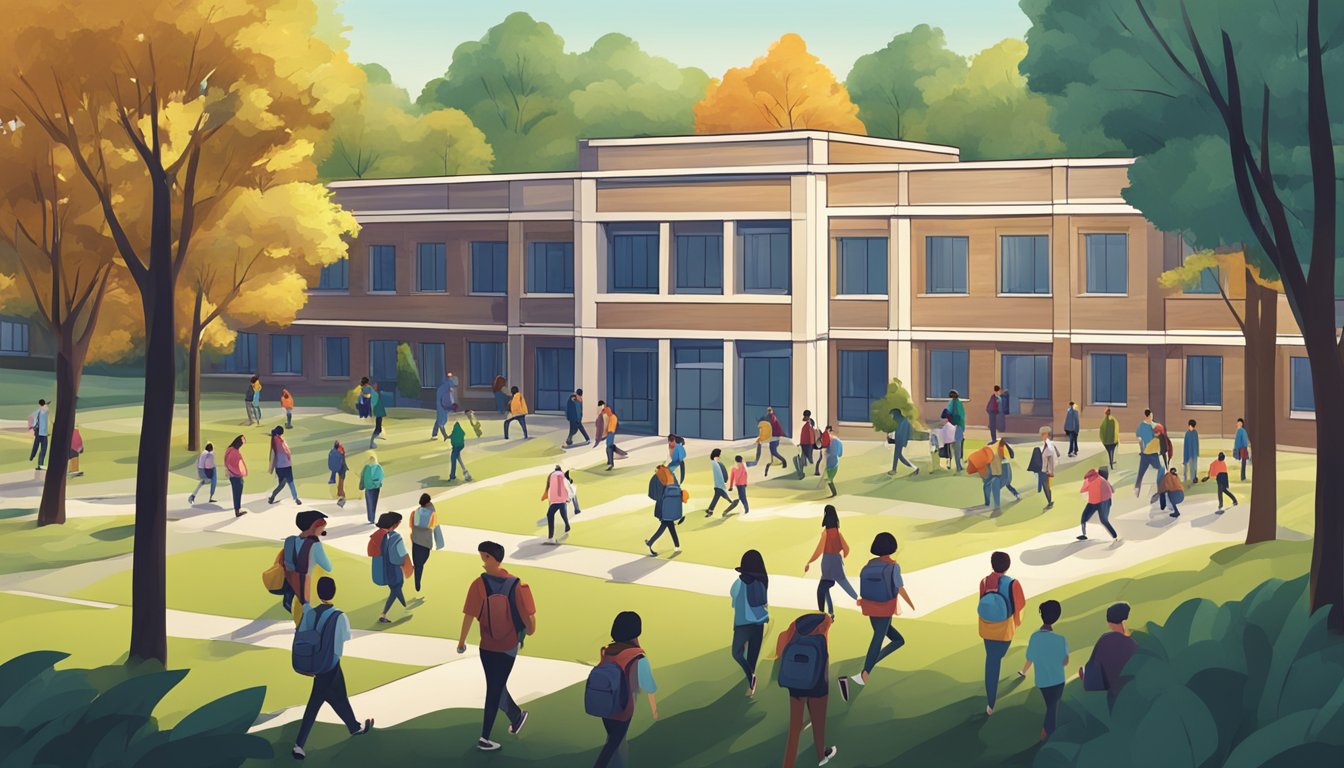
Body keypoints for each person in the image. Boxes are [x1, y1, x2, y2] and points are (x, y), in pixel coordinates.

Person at [457, 541, 537, 752]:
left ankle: (509, 720)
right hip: (508, 646)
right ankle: (491, 734)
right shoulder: (515, 584)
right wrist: (527, 632)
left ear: (491, 558)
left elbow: (469, 615)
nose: (482, 561)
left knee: (495, 686)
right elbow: (528, 621)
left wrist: (462, 641)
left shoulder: (478, 584)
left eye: (484, 557)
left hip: (487, 645)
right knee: (495, 687)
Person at [291, 577, 374, 760]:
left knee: (338, 696)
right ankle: (299, 745)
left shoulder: (310, 613)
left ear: (319, 592)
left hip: (315, 662)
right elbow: (345, 638)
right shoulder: (339, 616)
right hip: (329, 664)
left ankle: (354, 727)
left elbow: (303, 635)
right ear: (334, 591)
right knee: (316, 702)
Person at [839, 532, 915, 701]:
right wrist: (911, 604)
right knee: (878, 638)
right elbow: (900, 588)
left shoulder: (869, 565)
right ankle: (861, 676)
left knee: (898, 640)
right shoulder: (893, 566)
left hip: (869, 606)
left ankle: (866, 667)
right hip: (885, 607)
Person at [592, 611, 657, 768]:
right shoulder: (637, 655)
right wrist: (654, 709)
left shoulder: (608, 650)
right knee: (615, 742)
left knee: (615, 740)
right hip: (623, 707)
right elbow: (648, 685)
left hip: (605, 704)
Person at [776, 612, 839, 768]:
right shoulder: (824, 626)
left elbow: (780, 651)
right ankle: (821, 756)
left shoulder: (793, 628)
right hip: (818, 685)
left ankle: (787, 765)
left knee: (794, 729)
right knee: (819, 725)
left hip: (796, 683)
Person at [978, 551, 1027, 716]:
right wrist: (1017, 622)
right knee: (995, 660)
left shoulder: (984, 582)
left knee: (991, 659)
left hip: (986, 628)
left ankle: (990, 701)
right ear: (1008, 566)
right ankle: (990, 701)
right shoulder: (1013, 583)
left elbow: (982, 604)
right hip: (1004, 630)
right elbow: (1019, 606)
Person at [1020, 599, 1069, 740]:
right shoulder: (1061, 639)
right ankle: (1047, 733)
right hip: (1058, 680)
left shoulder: (1034, 637)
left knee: (1052, 706)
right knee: (1053, 707)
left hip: (1042, 681)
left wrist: (1023, 671)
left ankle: (1048, 731)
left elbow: (1030, 657)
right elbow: (1065, 662)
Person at [1080, 602, 1139, 710]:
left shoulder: (1104, 640)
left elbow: (1093, 668)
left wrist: (1084, 675)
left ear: (1109, 623)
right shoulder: (1133, 643)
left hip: (1114, 694)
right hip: (1134, 693)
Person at [729, 549, 770, 697]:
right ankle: (751, 683)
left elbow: (734, 602)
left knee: (736, 653)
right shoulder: (763, 581)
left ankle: (751, 679)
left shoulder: (738, 583)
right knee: (752, 655)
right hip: (759, 623)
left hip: (742, 625)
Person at [805, 505, 858, 618]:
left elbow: (819, 550)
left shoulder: (826, 533)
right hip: (836, 560)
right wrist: (842, 554)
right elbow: (847, 549)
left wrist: (809, 561)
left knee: (822, 588)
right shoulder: (838, 533)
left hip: (828, 561)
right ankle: (831, 612)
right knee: (837, 584)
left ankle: (822, 613)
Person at [283, 510, 332, 614]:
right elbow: (328, 567)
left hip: (291, 588)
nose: (323, 531)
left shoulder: (290, 541)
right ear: (315, 527)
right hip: (306, 591)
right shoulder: (314, 545)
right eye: (322, 528)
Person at [369, 512, 410, 623]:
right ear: (394, 524)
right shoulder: (396, 537)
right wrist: (407, 565)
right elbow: (400, 556)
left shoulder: (377, 536)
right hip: (394, 570)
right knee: (397, 588)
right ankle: (386, 613)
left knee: (395, 589)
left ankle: (403, 606)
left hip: (383, 570)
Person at [644, 465, 684, 556]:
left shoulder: (658, 477)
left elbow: (654, 494)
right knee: (670, 525)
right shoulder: (671, 476)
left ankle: (650, 542)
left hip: (664, 506)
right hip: (673, 505)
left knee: (665, 524)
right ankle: (677, 546)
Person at [410, 493, 445, 592]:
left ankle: (417, 581)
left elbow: (413, 525)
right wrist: (439, 543)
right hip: (426, 542)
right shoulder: (432, 513)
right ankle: (417, 580)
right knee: (422, 562)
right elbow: (435, 527)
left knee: (418, 564)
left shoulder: (416, 512)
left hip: (416, 541)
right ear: (428, 502)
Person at [1078, 467, 1118, 540]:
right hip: (1104, 501)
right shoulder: (1102, 479)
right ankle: (1115, 536)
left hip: (1096, 501)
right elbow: (1112, 490)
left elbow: (1082, 490)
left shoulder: (1088, 481)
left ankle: (1083, 534)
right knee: (1104, 520)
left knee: (1084, 517)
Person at [267, 426, 302, 506]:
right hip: (286, 465)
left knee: (282, 484)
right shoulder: (280, 441)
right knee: (290, 482)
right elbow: (287, 452)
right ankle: (296, 498)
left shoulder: (274, 439)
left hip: (279, 466)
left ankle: (273, 496)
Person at [540, 464, 571, 546]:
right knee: (563, 513)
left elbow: (550, 488)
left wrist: (550, 500)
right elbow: (566, 486)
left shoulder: (552, 475)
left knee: (550, 515)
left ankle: (550, 537)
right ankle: (567, 524)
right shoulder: (562, 475)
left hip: (555, 500)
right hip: (562, 499)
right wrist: (568, 497)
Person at [1134, 409, 1162, 496]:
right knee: (1160, 469)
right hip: (1149, 453)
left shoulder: (1150, 425)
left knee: (1141, 472)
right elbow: (1139, 438)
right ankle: (1138, 488)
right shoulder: (1143, 426)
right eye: (1151, 416)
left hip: (1149, 453)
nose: (1152, 418)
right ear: (1148, 416)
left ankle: (1137, 488)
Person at [1030, 427, 1058, 510]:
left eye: (1043, 434)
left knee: (1045, 486)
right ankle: (1049, 501)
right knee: (1046, 485)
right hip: (1045, 469)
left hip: (1045, 470)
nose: (1041, 436)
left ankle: (1049, 502)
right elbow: (1057, 454)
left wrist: (1050, 471)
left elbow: (1051, 459)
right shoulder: (1049, 444)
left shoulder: (1048, 446)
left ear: (1047, 434)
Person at [887, 408, 919, 476]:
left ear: (896, 414)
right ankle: (894, 469)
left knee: (898, 455)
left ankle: (914, 468)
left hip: (900, 441)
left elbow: (904, 433)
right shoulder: (901, 421)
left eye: (892, 415)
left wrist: (901, 442)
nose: (892, 417)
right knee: (898, 455)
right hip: (899, 441)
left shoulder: (904, 422)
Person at [706, 448, 735, 516]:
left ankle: (710, 510)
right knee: (728, 498)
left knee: (716, 497)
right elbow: (724, 475)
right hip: (720, 486)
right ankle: (733, 503)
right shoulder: (718, 464)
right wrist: (725, 481)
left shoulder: (714, 463)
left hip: (718, 485)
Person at [224, 435, 248, 517]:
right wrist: (239, 473)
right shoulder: (234, 452)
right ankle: (237, 510)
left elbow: (227, 462)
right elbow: (233, 465)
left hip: (232, 475)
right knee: (237, 493)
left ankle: (238, 509)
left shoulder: (229, 449)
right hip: (236, 476)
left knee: (236, 492)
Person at [359, 453, 384, 525]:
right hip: (374, 487)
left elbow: (362, 476)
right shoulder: (378, 467)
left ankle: (371, 518)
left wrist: (362, 484)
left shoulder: (367, 467)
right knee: (373, 503)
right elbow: (381, 477)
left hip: (370, 487)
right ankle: (371, 518)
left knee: (370, 503)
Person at [946, 390, 966, 472]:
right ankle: (958, 466)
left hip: (951, 427)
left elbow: (948, 414)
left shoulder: (950, 403)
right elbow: (962, 415)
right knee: (957, 446)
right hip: (958, 427)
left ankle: (953, 463)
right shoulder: (958, 403)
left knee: (952, 447)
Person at [27, 399, 49, 470]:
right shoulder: (46, 410)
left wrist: (31, 426)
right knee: (43, 449)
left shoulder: (37, 411)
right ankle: (40, 464)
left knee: (36, 446)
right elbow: (46, 408)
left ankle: (32, 456)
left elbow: (31, 417)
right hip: (43, 433)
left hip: (38, 431)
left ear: (39, 404)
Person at [603, 404, 626, 470]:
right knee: (609, 447)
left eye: (607, 409)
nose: (606, 411)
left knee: (609, 447)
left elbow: (610, 426)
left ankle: (611, 463)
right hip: (610, 432)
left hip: (611, 432)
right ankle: (610, 461)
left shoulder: (613, 417)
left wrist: (605, 432)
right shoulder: (610, 416)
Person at [823, 426, 843, 498]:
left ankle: (834, 493)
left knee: (829, 479)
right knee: (828, 479)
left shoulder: (832, 441)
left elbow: (828, 452)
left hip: (830, 463)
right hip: (833, 463)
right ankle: (832, 493)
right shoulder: (838, 441)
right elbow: (840, 454)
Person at [797, 410, 819, 477]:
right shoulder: (810, 423)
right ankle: (803, 471)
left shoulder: (809, 424)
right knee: (804, 458)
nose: (804, 417)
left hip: (807, 444)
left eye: (805, 416)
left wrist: (805, 443)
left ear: (807, 416)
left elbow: (809, 435)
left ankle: (813, 471)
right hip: (806, 443)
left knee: (808, 458)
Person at [327, 441, 348, 507]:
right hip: (341, 470)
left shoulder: (333, 452)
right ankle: (342, 500)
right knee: (340, 487)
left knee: (340, 487)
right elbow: (342, 460)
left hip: (339, 470)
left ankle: (342, 501)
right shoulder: (340, 451)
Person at [433, 376, 453, 441]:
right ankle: (444, 435)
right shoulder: (444, 390)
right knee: (441, 421)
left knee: (439, 420)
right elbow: (444, 400)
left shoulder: (443, 389)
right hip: (442, 407)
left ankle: (434, 434)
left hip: (442, 407)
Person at [369, 382, 387, 448]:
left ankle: (374, 438)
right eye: (375, 385)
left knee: (379, 426)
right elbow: (373, 403)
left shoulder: (375, 393)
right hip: (378, 411)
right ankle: (372, 442)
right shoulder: (374, 394)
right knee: (378, 427)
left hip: (379, 411)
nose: (376, 387)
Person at [1182, 419, 1200, 486]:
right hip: (1189, 453)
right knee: (1189, 466)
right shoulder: (1188, 434)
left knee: (1194, 466)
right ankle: (1188, 478)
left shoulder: (1195, 433)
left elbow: (1196, 443)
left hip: (1194, 453)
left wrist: (1197, 452)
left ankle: (1194, 478)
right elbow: (1186, 445)